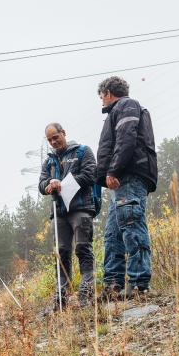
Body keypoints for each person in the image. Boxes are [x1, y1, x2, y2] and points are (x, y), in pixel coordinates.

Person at [95, 76, 158, 298]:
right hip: (118, 183)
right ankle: (113, 285)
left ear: (109, 93)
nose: (101, 101)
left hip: (128, 177)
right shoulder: (116, 111)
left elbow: (126, 139)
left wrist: (113, 170)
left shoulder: (126, 105)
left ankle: (139, 283)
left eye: (101, 97)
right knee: (112, 234)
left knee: (131, 225)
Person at [39, 123, 99, 306]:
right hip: (59, 213)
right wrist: (49, 183)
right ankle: (62, 297)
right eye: (49, 140)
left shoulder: (83, 151)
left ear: (63, 133)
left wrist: (62, 184)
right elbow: (41, 185)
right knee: (62, 253)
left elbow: (91, 174)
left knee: (83, 249)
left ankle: (86, 293)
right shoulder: (48, 161)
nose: (53, 142)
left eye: (55, 137)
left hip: (81, 208)